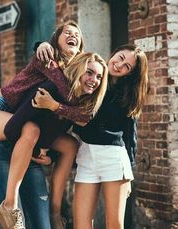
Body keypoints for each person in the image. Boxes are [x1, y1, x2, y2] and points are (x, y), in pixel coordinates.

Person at [0, 22, 108, 229]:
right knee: (31, 129)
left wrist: (49, 151)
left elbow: (81, 116)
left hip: (23, 131)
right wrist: (41, 45)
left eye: (77, 35)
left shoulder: (72, 83)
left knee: (70, 144)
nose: (73, 35)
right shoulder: (48, 59)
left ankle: (55, 211)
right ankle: (10, 205)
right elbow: (67, 96)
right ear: (56, 40)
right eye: (67, 33)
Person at [35, 43, 149, 229]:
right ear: (114, 53)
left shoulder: (127, 95)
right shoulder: (92, 77)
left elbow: (130, 136)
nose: (119, 65)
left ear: (130, 73)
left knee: (114, 224)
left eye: (127, 66)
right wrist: (42, 45)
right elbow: (69, 123)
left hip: (113, 158)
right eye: (120, 58)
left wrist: (129, 174)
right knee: (81, 224)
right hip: (86, 156)